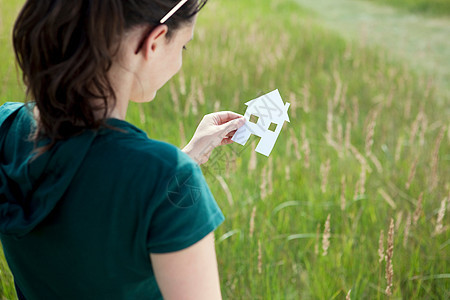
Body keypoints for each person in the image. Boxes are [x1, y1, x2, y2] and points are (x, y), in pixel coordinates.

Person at [0, 0, 246, 299]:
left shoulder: (7, 127)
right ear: (154, 42)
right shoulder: (168, 180)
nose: (180, 60)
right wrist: (176, 174)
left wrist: (187, 158)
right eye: (183, 47)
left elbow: (88, 183)